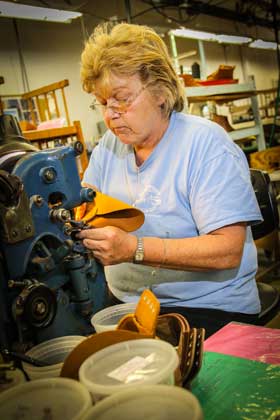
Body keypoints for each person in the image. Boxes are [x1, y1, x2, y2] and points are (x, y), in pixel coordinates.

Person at [78, 22, 263, 338]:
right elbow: (88, 212)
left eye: (121, 99)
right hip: (127, 306)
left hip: (210, 310)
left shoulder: (205, 144)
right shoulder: (108, 149)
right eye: (102, 102)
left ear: (161, 92)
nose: (110, 115)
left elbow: (227, 251)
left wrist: (134, 248)